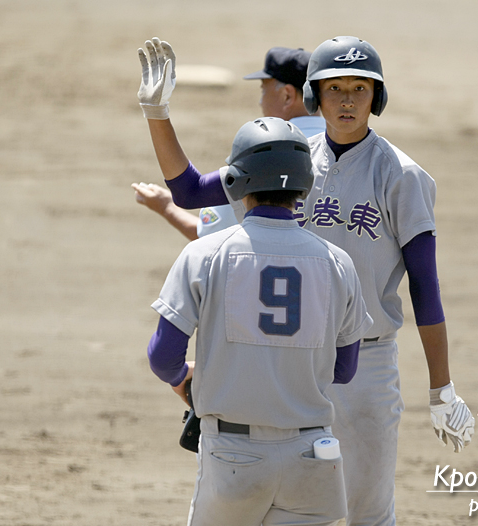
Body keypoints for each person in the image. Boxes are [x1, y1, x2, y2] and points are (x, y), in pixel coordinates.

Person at [136, 36, 475, 526]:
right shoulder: (291, 159)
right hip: (292, 356)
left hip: (366, 361)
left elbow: (426, 287)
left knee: (367, 510)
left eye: (360, 88)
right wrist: (157, 112)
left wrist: (441, 388)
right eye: (334, 87)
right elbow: (189, 191)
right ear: (315, 94)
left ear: (375, 97)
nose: (346, 100)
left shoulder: (401, 175)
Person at [146, 116, 373, 526]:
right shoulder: (339, 263)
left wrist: (185, 379)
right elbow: (345, 369)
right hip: (313, 454)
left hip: (234, 456)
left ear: (234, 182)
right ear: (305, 185)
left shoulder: (206, 253)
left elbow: (163, 356)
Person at [132, 45, 325, 240]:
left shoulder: (265, 155)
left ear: (287, 96)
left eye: (263, 90)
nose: (260, 102)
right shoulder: (344, 146)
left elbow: (199, 216)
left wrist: (166, 208)